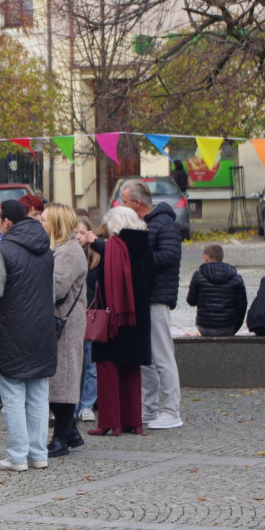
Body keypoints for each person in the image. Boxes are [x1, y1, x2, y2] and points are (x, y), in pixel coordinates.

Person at [0, 200, 56, 472]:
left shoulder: (1, 250)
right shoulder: (46, 249)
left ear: (7, 222)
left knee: (13, 397)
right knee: (39, 396)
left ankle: (18, 456)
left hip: (9, 330)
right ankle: (39, 453)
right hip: (42, 330)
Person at [83, 206, 154, 437]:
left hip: (114, 317)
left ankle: (111, 422)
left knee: (108, 368)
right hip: (139, 316)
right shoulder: (144, 244)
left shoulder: (114, 246)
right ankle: (134, 421)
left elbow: (103, 279)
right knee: (132, 370)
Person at [120, 180, 183, 430]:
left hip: (157, 298)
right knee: (145, 357)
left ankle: (171, 409)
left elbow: (170, 256)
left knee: (162, 356)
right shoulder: (144, 224)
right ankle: (149, 408)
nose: (121, 205)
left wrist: (137, 259)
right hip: (144, 298)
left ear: (137, 203)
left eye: (124, 201)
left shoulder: (163, 223)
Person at [41, 204, 88, 458]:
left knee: (64, 379)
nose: (41, 223)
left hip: (66, 321)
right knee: (60, 377)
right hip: (63, 320)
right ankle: (69, 431)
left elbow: (56, 288)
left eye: (45, 220)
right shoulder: (61, 248)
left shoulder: (68, 252)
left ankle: (60, 437)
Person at [74, 215, 101, 422]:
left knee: (91, 363)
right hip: (73, 315)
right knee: (75, 363)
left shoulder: (96, 257)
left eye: (82, 232)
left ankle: (87, 404)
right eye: (75, 232)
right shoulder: (69, 254)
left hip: (91, 315)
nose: (78, 236)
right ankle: (73, 404)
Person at [187, 244, 247, 337]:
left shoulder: (198, 275)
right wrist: (235, 327)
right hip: (227, 327)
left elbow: (191, 301)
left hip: (204, 327)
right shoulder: (236, 277)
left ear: (206, 257)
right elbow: (242, 306)